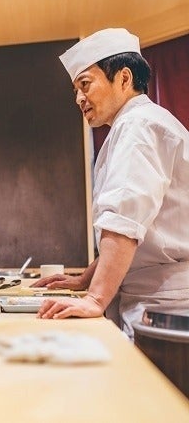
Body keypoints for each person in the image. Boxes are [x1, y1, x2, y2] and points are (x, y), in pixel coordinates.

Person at [32, 28, 189, 337]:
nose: (79, 98)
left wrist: (95, 298)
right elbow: (134, 226)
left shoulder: (139, 126)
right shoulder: (135, 124)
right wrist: (86, 279)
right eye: (75, 90)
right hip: (151, 295)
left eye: (85, 84)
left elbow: (124, 221)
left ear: (124, 78)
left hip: (168, 302)